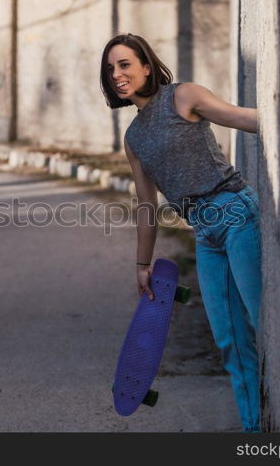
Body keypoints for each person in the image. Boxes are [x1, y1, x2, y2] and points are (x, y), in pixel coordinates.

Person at [100, 33, 262, 432]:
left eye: (124, 64)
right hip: (204, 234)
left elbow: (243, 118)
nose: (117, 74)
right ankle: (255, 432)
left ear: (146, 66)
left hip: (237, 214)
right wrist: (142, 265)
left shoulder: (183, 96)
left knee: (264, 323)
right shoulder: (134, 138)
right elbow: (146, 206)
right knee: (231, 344)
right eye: (110, 69)